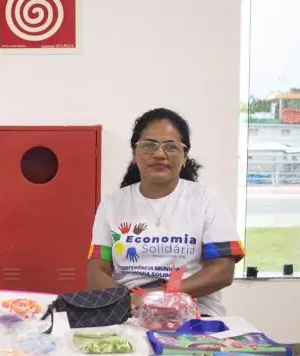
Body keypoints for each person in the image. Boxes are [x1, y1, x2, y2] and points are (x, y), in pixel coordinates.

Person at [87, 108, 244, 317]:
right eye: (149, 145)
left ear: (184, 156)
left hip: (194, 313)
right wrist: (127, 300)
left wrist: (157, 297)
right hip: (129, 312)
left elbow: (223, 271)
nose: (160, 154)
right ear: (134, 153)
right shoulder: (112, 204)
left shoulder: (206, 200)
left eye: (171, 146)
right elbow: (97, 270)